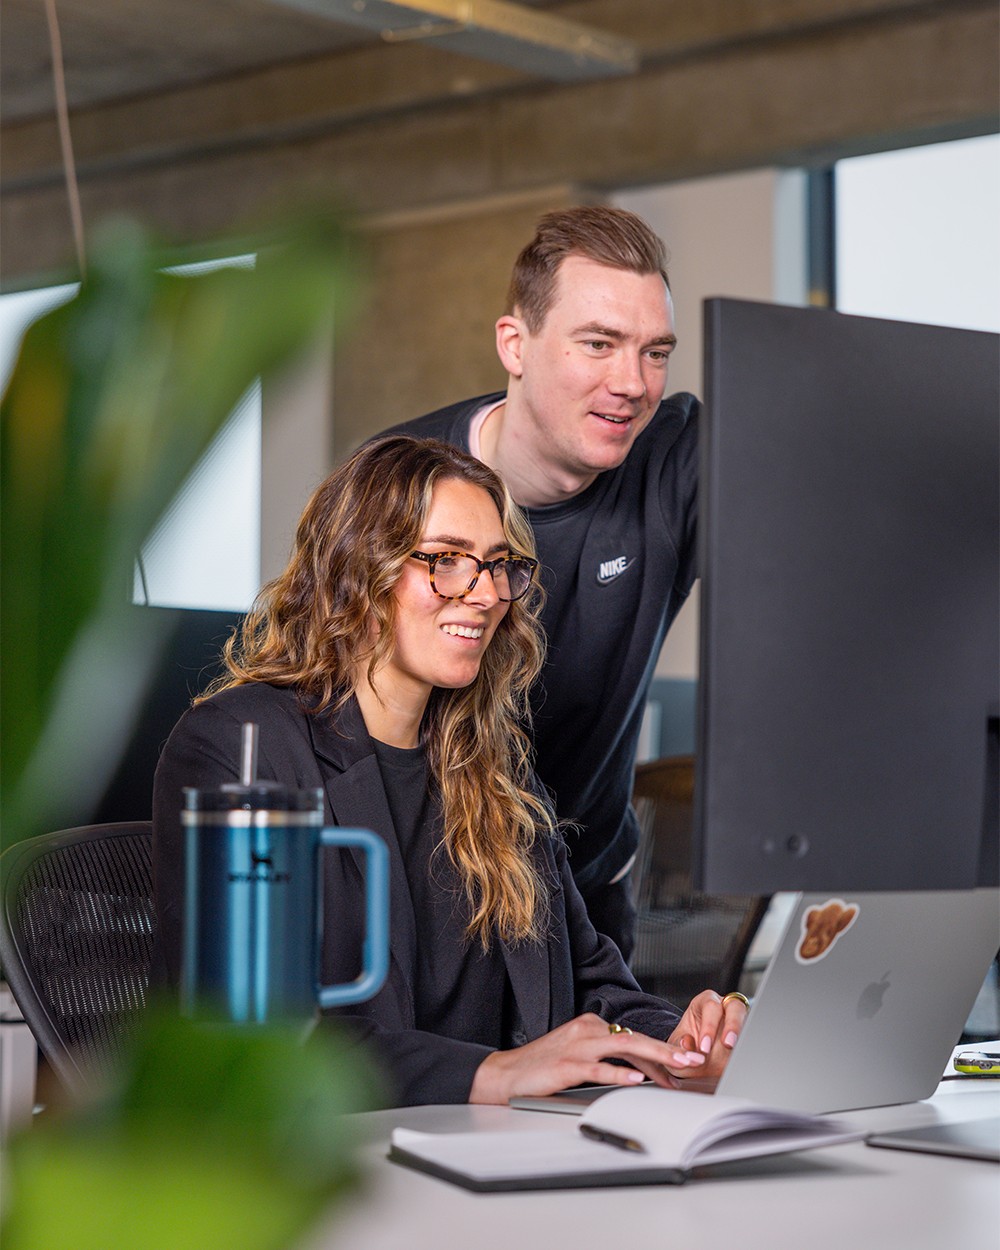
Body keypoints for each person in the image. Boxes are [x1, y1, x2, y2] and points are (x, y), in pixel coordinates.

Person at [152, 435, 746, 1108]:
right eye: (444, 561)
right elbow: (249, 1039)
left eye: (497, 566)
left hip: (492, 1158)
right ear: (357, 571)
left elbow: (591, 988)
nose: (486, 593)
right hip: (324, 1174)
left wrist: (678, 1047)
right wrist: (488, 1074)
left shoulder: (494, 769)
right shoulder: (244, 745)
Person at [383, 206, 695, 959]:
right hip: (422, 905)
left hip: (584, 906)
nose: (632, 383)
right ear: (514, 345)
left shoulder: (672, 462)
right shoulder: (395, 490)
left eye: (656, 352)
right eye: (598, 344)